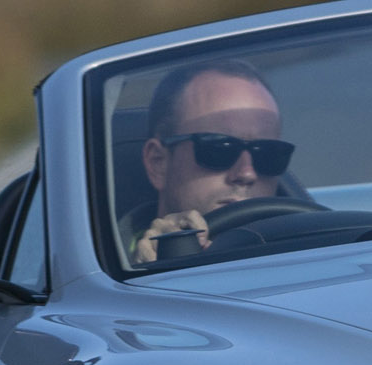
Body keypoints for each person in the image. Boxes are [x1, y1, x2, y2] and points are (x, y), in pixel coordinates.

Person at [128, 57, 307, 265]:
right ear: (158, 163)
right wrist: (146, 269)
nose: (246, 173)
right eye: (219, 149)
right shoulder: (101, 267)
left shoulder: (313, 249)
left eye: (268, 153)